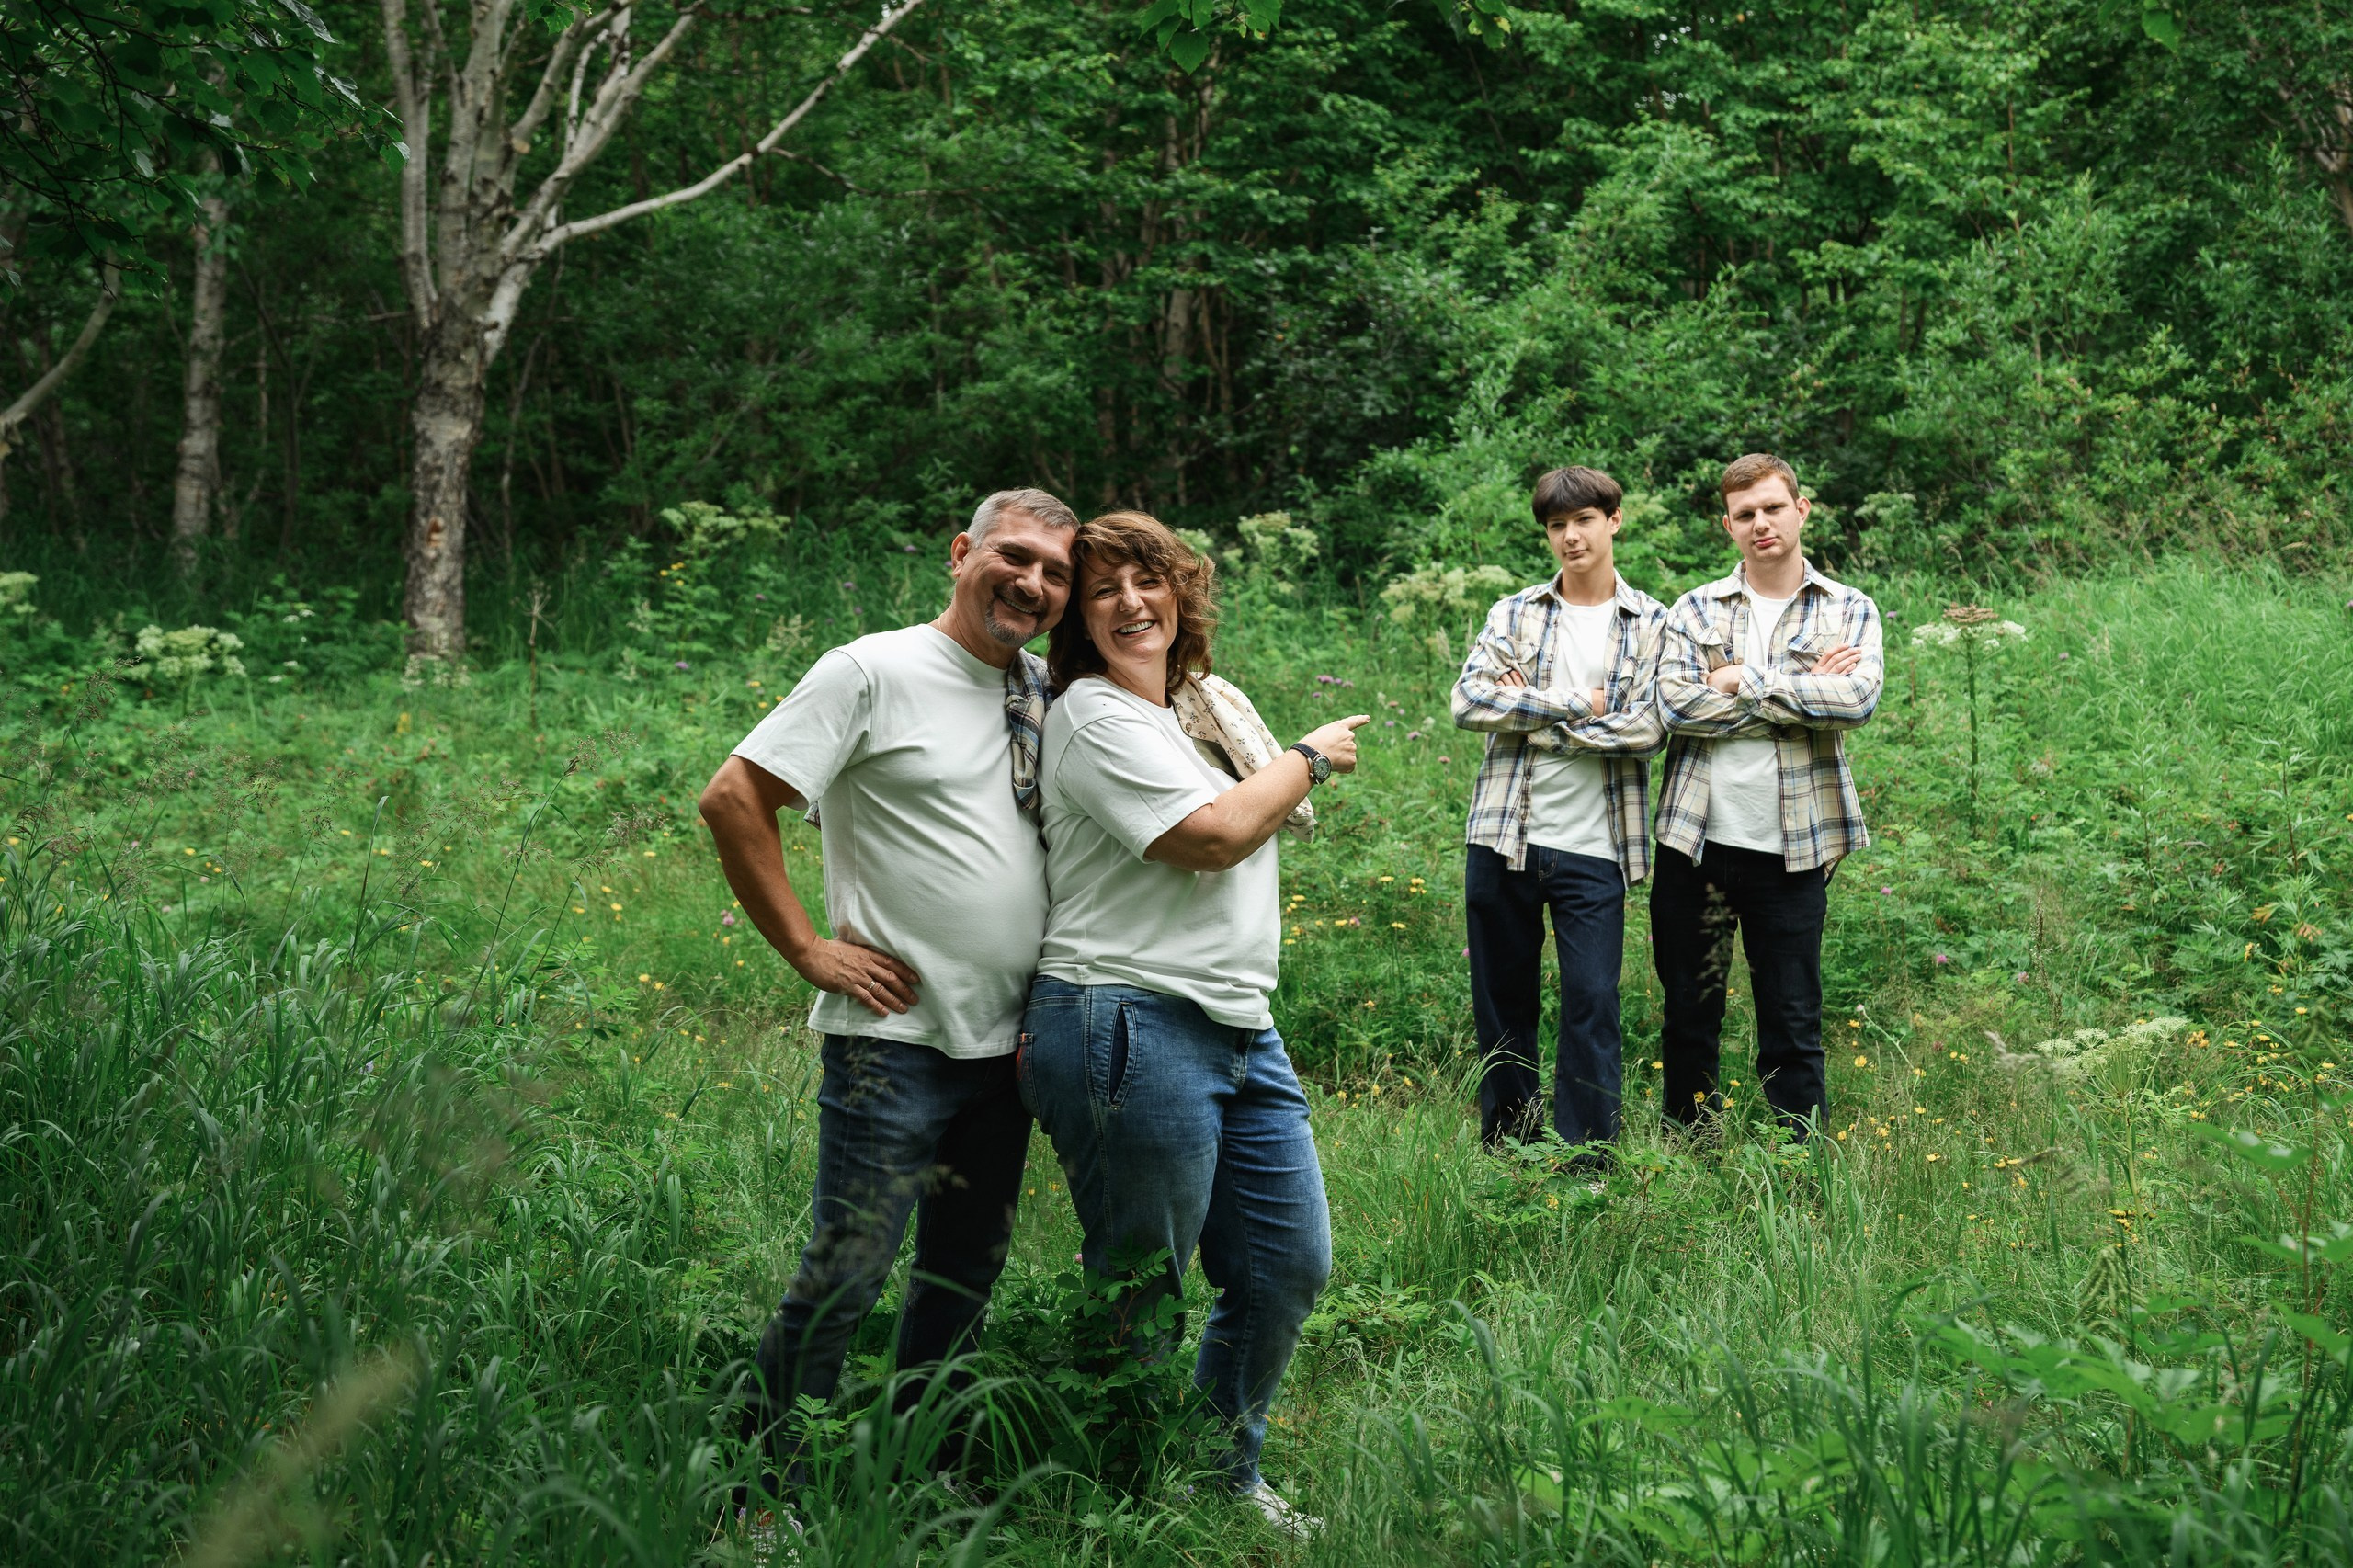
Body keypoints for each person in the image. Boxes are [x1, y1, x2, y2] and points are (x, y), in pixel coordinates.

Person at [697, 486, 1077, 1487]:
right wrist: (807, 949)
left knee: (962, 1279)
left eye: (1054, 572)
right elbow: (734, 797)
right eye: (1014, 556)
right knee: (848, 1273)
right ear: (961, 552)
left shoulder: (1045, 691)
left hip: (1008, 1047)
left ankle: (919, 1477)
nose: (1032, 583)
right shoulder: (872, 669)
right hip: (894, 1040)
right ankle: (758, 1490)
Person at [1017, 510, 1366, 1536]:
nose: (1131, 603)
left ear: (1181, 592)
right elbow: (1211, 836)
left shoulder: (1192, 712)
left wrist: (1279, 764)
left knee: (1285, 1265)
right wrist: (1308, 756)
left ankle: (1221, 1480)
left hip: (1238, 1022)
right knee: (1141, 1287)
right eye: (1103, 591)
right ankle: (1116, 1508)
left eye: (1149, 580)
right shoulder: (1093, 717)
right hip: (1125, 1015)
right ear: (1078, 621)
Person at [1652, 453, 1882, 1138]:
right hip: (1695, 844)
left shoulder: (1848, 608)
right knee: (1690, 1013)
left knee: (1791, 1018)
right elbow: (1675, 706)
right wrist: (1802, 694)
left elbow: (1856, 701)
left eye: (1774, 508)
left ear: (1800, 510)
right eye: (1745, 513)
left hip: (1794, 850)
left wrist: (1737, 680)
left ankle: (1798, 1163)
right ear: (1728, 525)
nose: (1761, 523)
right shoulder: (1694, 608)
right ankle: (1689, 1152)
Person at [1451, 465, 1667, 1165]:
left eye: (1583, 520)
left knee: (1593, 1002)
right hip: (1503, 837)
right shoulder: (1513, 613)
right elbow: (1469, 703)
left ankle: (1586, 1161)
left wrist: (1531, 713)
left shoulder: (1652, 621)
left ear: (1614, 520)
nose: (1571, 536)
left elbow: (1649, 728)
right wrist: (1581, 705)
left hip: (1597, 845)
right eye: (1556, 525)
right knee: (1502, 1002)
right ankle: (1509, 1151)